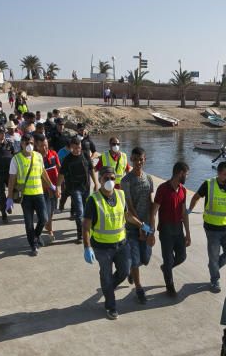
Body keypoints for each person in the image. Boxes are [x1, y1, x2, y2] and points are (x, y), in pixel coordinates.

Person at [82, 167, 132, 320]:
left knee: (124, 271)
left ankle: (108, 287)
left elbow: (127, 216)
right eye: (106, 178)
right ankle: (111, 306)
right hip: (102, 247)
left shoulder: (121, 194)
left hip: (121, 244)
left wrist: (141, 224)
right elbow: (86, 226)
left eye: (112, 178)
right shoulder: (93, 200)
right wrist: (87, 247)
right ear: (100, 180)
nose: (110, 181)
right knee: (106, 275)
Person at [188, 161, 226, 293]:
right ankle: (215, 280)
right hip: (212, 229)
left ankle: (213, 266)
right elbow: (196, 197)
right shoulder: (209, 184)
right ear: (218, 173)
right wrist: (190, 209)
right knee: (213, 255)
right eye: (225, 174)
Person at [5, 134, 57, 256]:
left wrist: (51, 185)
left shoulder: (38, 156)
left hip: (38, 194)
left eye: (32, 143)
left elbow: (43, 172)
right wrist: (10, 197)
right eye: (27, 143)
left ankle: (36, 236)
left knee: (44, 218)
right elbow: (12, 179)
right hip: (26, 197)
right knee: (28, 223)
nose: (29, 145)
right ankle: (33, 245)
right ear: (22, 144)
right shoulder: (16, 159)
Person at [149, 161, 191, 297]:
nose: (187, 177)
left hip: (178, 229)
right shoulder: (163, 189)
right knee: (168, 260)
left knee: (182, 256)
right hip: (166, 230)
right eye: (186, 174)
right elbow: (153, 211)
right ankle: (170, 287)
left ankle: (165, 268)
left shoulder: (183, 190)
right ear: (180, 173)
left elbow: (184, 213)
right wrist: (152, 232)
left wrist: (188, 234)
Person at [120, 147, 154, 304]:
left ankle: (132, 272)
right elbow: (129, 205)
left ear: (145, 160)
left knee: (145, 259)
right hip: (132, 225)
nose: (138, 162)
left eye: (141, 159)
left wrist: (151, 228)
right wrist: (139, 225)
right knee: (134, 259)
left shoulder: (149, 178)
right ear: (131, 160)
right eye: (135, 159)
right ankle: (139, 288)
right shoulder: (126, 181)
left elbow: (150, 202)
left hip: (146, 225)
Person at [58, 137, 96, 243]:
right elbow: (61, 174)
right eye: (74, 148)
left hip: (86, 187)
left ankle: (88, 230)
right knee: (80, 212)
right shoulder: (67, 159)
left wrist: (96, 183)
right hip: (74, 189)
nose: (77, 150)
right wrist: (57, 187)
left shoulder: (85, 155)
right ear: (70, 148)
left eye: (78, 148)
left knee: (87, 211)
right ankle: (81, 234)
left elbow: (91, 170)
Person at [39, 136, 61, 242]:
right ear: (37, 146)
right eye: (42, 146)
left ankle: (49, 229)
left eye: (46, 145)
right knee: (45, 214)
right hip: (42, 190)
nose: (45, 148)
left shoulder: (53, 154)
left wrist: (60, 186)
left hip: (54, 187)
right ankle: (46, 230)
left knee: (52, 211)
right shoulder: (37, 157)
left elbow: (59, 168)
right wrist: (47, 187)